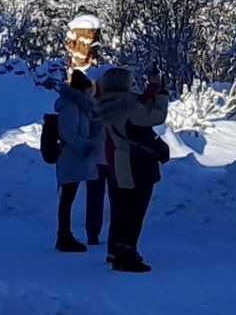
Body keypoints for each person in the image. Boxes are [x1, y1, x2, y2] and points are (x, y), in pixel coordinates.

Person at [92, 66, 168, 273]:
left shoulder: (108, 104)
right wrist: (161, 96)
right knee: (135, 212)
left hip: (118, 161)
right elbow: (155, 116)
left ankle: (117, 250)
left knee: (121, 210)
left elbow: (138, 108)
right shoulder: (129, 107)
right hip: (138, 164)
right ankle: (127, 254)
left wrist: (151, 90)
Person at [52, 69, 106, 252]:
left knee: (69, 197)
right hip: (70, 159)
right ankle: (63, 235)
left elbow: (81, 129)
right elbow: (70, 134)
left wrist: (94, 128)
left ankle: (65, 235)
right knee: (67, 198)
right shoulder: (72, 107)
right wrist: (86, 146)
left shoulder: (79, 108)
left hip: (74, 160)